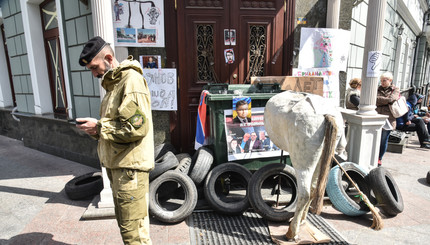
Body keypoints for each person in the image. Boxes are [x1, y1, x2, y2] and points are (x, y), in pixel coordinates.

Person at [76, 36, 154, 245]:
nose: (94, 74)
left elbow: (137, 128)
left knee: (133, 234)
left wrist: (100, 127)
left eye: (95, 67)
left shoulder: (130, 81)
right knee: (130, 228)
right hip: (119, 166)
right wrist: (95, 130)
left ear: (109, 58)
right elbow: (117, 126)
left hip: (130, 170)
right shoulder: (114, 85)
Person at [376, 72, 399, 167]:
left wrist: (380, 100)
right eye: (381, 80)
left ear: (390, 80)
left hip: (389, 119)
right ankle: (373, 156)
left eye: (384, 80)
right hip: (377, 116)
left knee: (383, 139)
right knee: (375, 138)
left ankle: (379, 158)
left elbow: (392, 99)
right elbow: (374, 99)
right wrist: (386, 100)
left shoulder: (395, 89)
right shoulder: (377, 88)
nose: (382, 82)